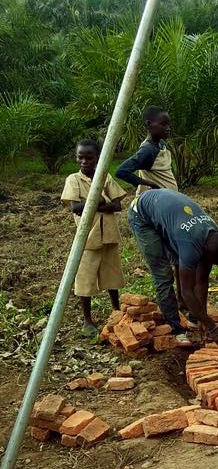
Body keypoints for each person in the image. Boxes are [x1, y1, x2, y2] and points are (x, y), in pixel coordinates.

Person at [127, 189, 218, 345]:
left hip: (168, 214)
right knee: (163, 275)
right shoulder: (190, 245)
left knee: (183, 264)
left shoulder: (213, 235)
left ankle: (194, 318)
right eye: (208, 260)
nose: (206, 263)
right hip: (142, 215)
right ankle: (175, 328)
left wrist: (203, 321)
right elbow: (187, 291)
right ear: (204, 250)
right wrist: (212, 328)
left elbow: (202, 280)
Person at [61, 139, 126, 336]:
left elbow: (118, 205)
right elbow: (75, 208)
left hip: (109, 235)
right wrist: (100, 201)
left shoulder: (103, 177)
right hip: (88, 238)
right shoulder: (73, 180)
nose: (84, 161)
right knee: (85, 279)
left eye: (89, 158)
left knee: (112, 276)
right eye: (80, 157)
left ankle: (116, 311)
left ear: (98, 159)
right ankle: (87, 320)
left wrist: (98, 202)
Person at [115, 105, 178, 194]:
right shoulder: (148, 150)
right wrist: (150, 184)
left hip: (167, 199)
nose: (168, 128)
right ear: (148, 124)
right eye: (163, 124)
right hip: (156, 201)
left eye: (168, 125)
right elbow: (121, 172)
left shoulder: (161, 144)